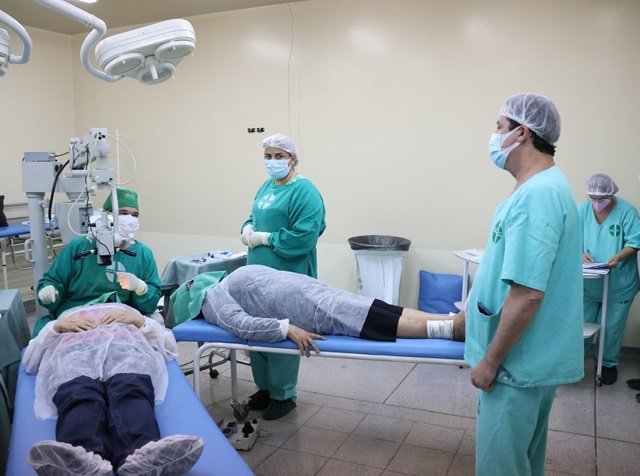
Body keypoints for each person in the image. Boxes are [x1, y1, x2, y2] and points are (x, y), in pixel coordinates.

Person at [465, 92, 584, 476]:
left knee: (501, 467)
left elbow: (528, 293)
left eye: (499, 127)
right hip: (525, 360)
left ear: (522, 133)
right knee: (523, 461)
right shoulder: (543, 186)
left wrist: (490, 361)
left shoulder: (539, 195)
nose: (494, 136)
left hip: (513, 365)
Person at [23, 302, 204, 476]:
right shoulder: (65, 318)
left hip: (126, 354)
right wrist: (55, 327)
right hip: (74, 358)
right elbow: (30, 360)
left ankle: (142, 455)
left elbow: (168, 346)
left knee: (130, 390)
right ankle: (80, 459)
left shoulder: (126, 311)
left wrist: (140, 321)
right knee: (79, 394)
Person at [170, 265, 465, 355]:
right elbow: (241, 323)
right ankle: (451, 324)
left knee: (371, 315)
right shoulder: (217, 291)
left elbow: (239, 324)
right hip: (307, 296)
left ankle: (452, 325)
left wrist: (286, 327)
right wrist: (286, 328)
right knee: (374, 311)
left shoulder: (210, 296)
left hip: (305, 301)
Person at [239, 133, 326, 420]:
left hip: (287, 275)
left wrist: (266, 238)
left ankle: (284, 395)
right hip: (257, 275)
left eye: (279, 156)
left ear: (293, 159)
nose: (273, 161)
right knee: (259, 329)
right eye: (268, 156)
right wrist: (247, 228)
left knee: (282, 332)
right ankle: (264, 388)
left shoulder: (305, 191)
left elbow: (305, 236)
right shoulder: (266, 186)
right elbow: (254, 215)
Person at [34, 188, 162, 337]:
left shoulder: (142, 253)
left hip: (120, 321)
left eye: (135, 215)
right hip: (77, 320)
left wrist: (141, 288)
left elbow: (150, 304)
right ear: (105, 217)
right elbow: (53, 281)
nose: (130, 219)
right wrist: (50, 291)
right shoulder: (79, 247)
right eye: (123, 213)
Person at [579, 173, 640, 385]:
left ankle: (607, 364)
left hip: (619, 285)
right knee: (582, 325)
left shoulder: (627, 212)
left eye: (601, 198)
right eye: (593, 197)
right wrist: (579, 252)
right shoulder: (582, 211)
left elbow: (635, 243)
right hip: (589, 284)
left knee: (612, 328)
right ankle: (575, 362)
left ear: (611, 194)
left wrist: (620, 256)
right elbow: (569, 238)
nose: (597, 202)